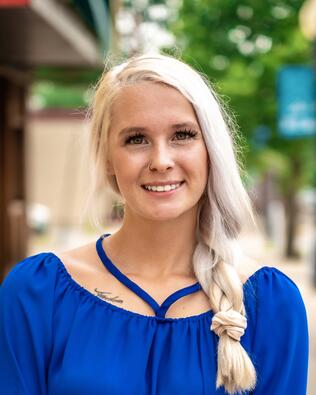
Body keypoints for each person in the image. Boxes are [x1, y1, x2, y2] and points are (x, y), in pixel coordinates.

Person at [0, 54, 309, 395]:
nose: (161, 161)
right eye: (136, 139)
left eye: (183, 135)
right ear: (107, 158)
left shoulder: (270, 304)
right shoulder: (38, 293)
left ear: (211, 149)